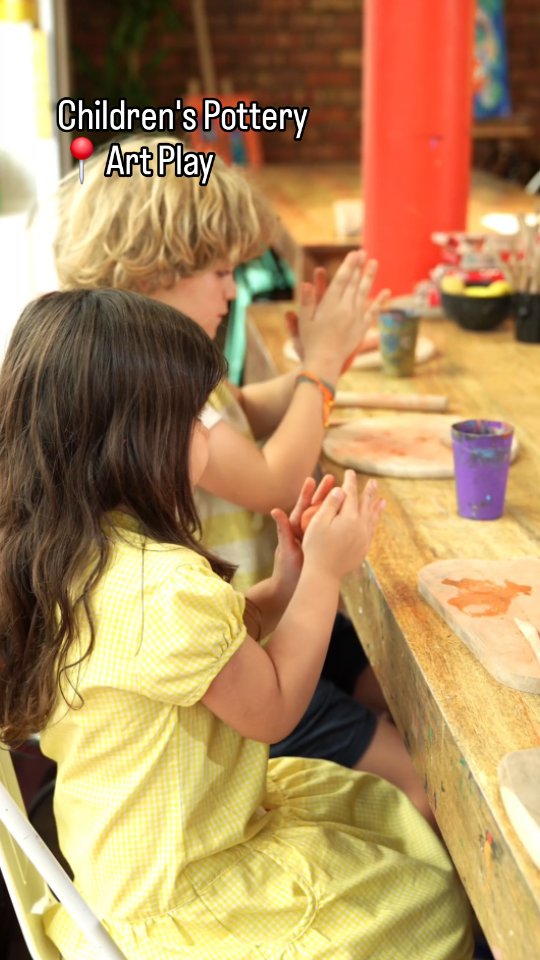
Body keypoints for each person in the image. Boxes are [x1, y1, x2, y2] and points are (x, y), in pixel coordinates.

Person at [0, 288, 473, 960]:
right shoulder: (158, 589)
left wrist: (281, 591)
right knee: (430, 901)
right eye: (193, 418)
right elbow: (275, 707)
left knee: (382, 820)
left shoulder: (67, 553)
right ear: (133, 439)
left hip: (124, 874)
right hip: (190, 905)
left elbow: (188, 661)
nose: (207, 433)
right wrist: (324, 577)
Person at [53, 135, 433, 826]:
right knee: (424, 785)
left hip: (244, 619)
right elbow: (271, 479)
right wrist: (318, 369)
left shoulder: (159, 370)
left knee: (398, 686)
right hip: (225, 672)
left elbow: (241, 410)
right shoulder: (155, 392)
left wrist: (327, 362)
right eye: (219, 272)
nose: (232, 289)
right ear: (149, 273)